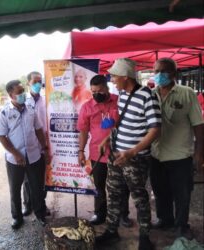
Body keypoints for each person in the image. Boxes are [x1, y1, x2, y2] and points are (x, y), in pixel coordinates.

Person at [95, 58, 161, 250]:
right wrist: (107, 139)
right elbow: (120, 124)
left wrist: (132, 152)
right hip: (116, 155)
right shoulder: (122, 95)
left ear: (125, 77)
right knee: (113, 194)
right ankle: (111, 230)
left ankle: (144, 236)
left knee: (139, 197)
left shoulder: (147, 96)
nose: (112, 79)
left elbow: (156, 129)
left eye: (114, 76)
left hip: (136, 159)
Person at [150, 58, 204, 239]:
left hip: (180, 155)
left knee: (182, 195)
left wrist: (199, 153)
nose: (159, 75)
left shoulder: (187, 93)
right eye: (156, 71)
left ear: (173, 74)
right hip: (156, 154)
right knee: (160, 191)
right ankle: (164, 219)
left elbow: (198, 124)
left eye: (163, 71)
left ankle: (181, 225)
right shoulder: (150, 94)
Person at [77, 75, 132, 227]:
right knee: (99, 186)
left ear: (107, 88)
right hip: (97, 154)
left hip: (119, 152)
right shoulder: (87, 107)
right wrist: (81, 151)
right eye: (93, 91)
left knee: (122, 185)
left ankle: (123, 214)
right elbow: (83, 131)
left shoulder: (119, 101)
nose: (96, 94)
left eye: (100, 90)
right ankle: (100, 213)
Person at [0, 80, 50, 229]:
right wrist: (16, 154)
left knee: (37, 187)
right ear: (10, 95)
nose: (22, 95)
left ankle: (40, 214)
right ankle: (17, 217)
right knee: (15, 189)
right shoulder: (5, 113)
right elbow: (2, 137)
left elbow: (39, 129)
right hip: (15, 160)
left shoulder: (31, 109)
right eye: (18, 93)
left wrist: (44, 148)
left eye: (22, 91)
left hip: (34, 156)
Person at [22, 71, 49, 217]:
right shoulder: (24, 101)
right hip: (30, 144)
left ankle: (41, 204)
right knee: (27, 178)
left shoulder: (45, 100)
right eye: (35, 82)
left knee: (41, 178)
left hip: (43, 143)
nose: (38, 84)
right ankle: (27, 205)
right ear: (28, 83)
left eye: (40, 82)